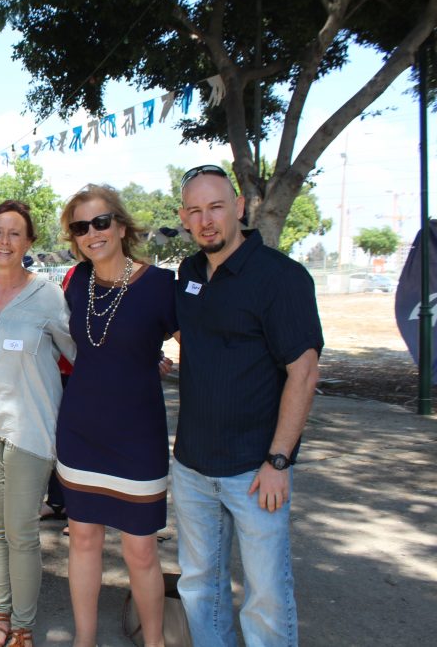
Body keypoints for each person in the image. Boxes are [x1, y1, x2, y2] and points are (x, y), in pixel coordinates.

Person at [173, 164, 322, 647]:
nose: (206, 220)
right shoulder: (189, 273)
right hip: (192, 465)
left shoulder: (280, 277)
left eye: (216, 207)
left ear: (239, 207)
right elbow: (195, 335)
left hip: (256, 471)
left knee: (267, 596)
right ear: (184, 217)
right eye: (195, 211)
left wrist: (279, 460)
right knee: (200, 586)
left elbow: (304, 372)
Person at [56, 184, 179, 647]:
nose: (92, 233)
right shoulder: (75, 282)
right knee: (83, 540)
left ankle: (155, 641)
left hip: (138, 436)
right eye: (80, 227)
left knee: (141, 549)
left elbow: (203, 350)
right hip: (80, 431)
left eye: (101, 222)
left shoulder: (161, 285)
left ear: (122, 226)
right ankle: (84, 640)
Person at [0, 200, 75, 647]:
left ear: (28, 242)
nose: (4, 241)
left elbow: (77, 352)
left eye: (14, 233)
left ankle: (23, 626)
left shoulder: (48, 296)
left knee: (21, 530)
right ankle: (0, 617)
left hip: (31, 427)